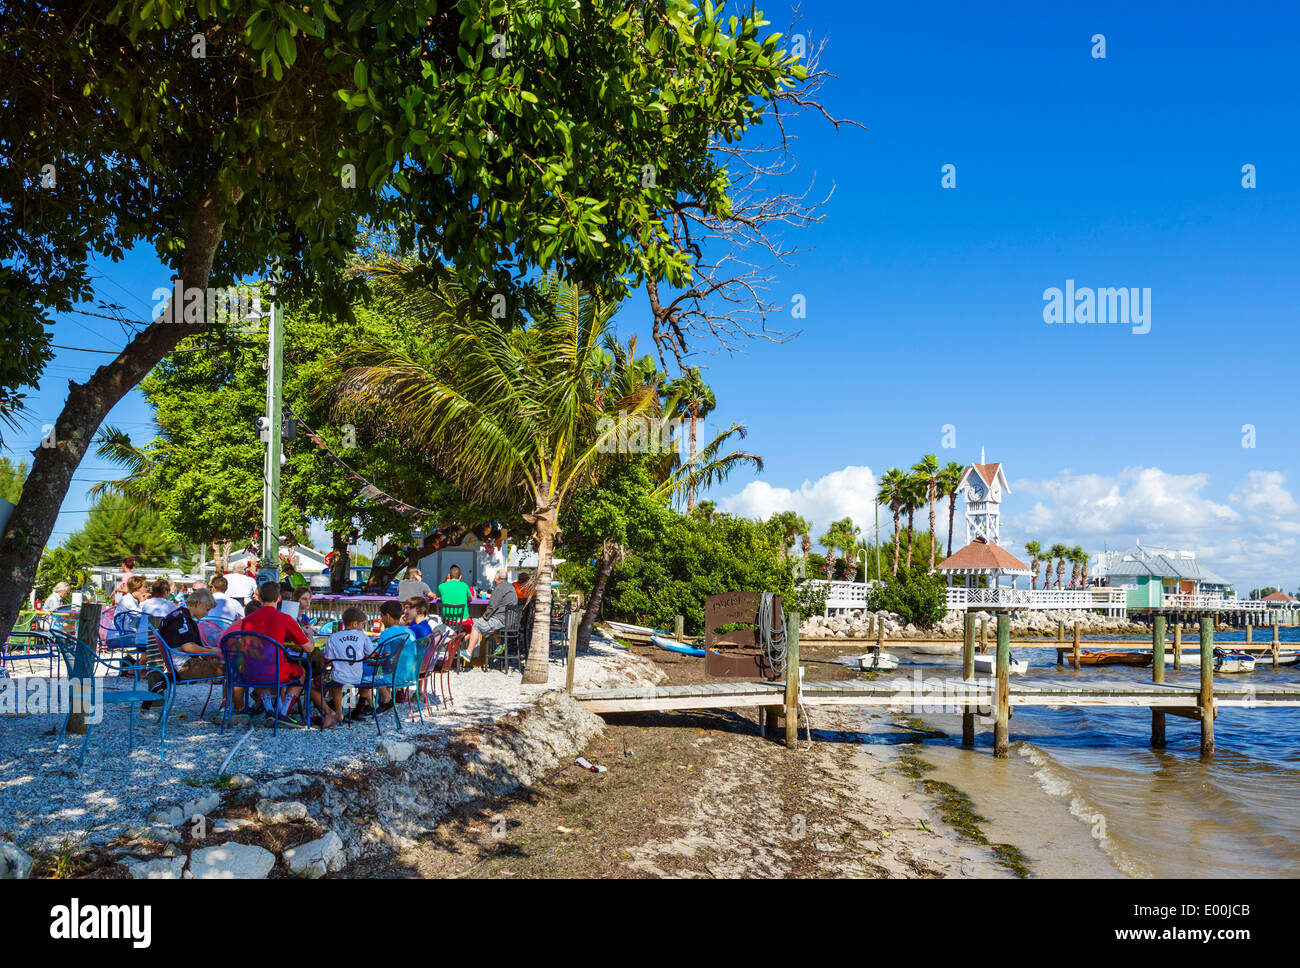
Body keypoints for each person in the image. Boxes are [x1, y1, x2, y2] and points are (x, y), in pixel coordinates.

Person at [239, 581, 313, 727]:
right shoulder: (285, 618)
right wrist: (309, 635)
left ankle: (270, 711)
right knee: (301, 672)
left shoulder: (246, 620)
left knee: (260, 669)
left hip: (250, 671)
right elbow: (309, 648)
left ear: (258, 598)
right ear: (279, 598)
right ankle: (283, 714)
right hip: (275, 670)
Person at [313, 606, 374, 728]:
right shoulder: (362, 636)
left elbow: (329, 660)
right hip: (357, 677)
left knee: (313, 685)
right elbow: (371, 654)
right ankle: (344, 710)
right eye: (362, 624)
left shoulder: (333, 637)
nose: (362, 627)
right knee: (340, 679)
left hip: (339, 678)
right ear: (355, 624)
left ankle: (333, 713)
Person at [156, 588, 225, 682]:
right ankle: (231, 697)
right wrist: (213, 651)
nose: (207, 613)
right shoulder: (182, 620)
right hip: (185, 666)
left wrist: (209, 650)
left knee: (228, 664)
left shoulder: (178, 615)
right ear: (198, 604)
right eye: (207, 609)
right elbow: (188, 647)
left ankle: (229, 697)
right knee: (233, 667)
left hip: (179, 664)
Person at [466, 567, 518, 662]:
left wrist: (483, 617)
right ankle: (499, 643)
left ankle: (468, 653)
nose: (494, 579)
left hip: (502, 620)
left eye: (494, 577)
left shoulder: (499, 588)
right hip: (511, 620)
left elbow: (492, 606)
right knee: (491, 623)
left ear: (497, 578)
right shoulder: (510, 587)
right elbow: (501, 599)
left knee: (476, 625)